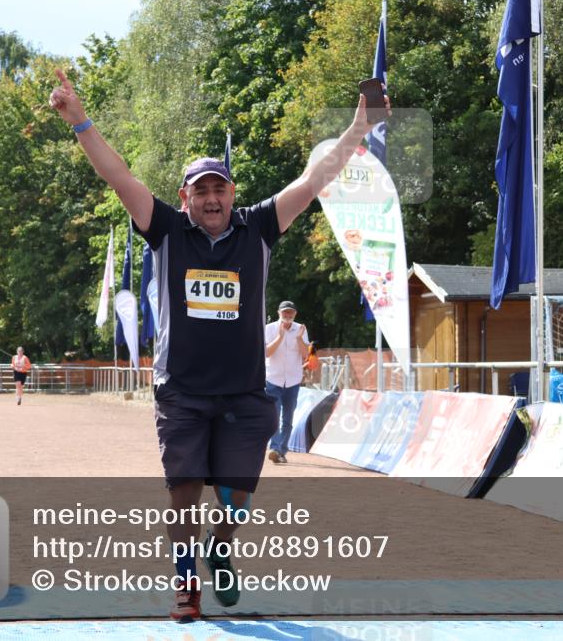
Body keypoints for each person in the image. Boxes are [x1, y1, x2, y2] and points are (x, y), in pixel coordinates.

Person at [49, 67, 388, 621]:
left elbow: (313, 180)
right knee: (183, 490)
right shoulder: (165, 228)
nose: (211, 198)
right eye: (200, 190)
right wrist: (80, 121)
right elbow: (119, 176)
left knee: (235, 499)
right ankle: (186, 584)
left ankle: (220, 545)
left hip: (243, 394)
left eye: (219, 188)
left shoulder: (259, 228)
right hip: (181, 391)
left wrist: (358, 127)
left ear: (232, 194)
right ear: (185, 198)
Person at [264, 301, 309, 464]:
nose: (287, 315)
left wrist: (299, 339)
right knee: (274, 416)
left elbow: (306, 355)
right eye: (285, 312)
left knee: (288, 419)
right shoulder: (269, 328)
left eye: (290, 312)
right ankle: (275, 448)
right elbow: (266, 353)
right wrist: (280, 336)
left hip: (293, 380)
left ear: (295, 314)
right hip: (273, 379)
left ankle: (282, 451)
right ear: (279, 313)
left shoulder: (301, 329)